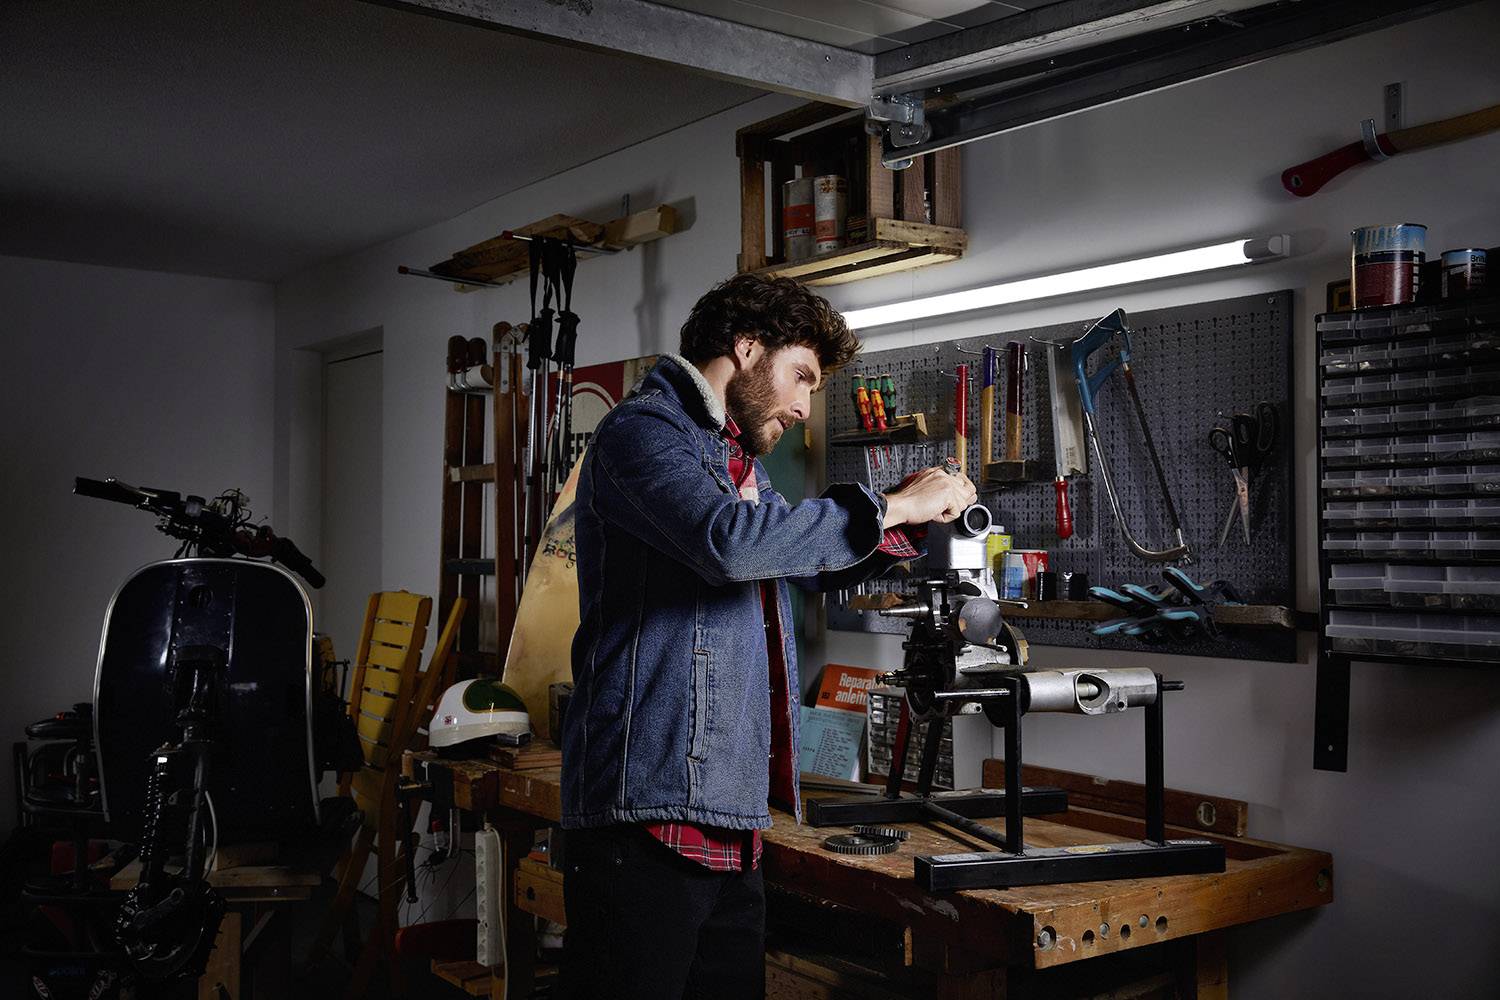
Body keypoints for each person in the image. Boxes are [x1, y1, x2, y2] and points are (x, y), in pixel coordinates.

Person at [557, 273, 977, 999]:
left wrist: (905, 518)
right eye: (801, 378)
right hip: (646, 817)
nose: (804, 407)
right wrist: (893, 504)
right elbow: (730, 544)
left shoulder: (735, 463)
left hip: (730, 817)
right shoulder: (641, 434)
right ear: (747, 348)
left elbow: (800, 564)